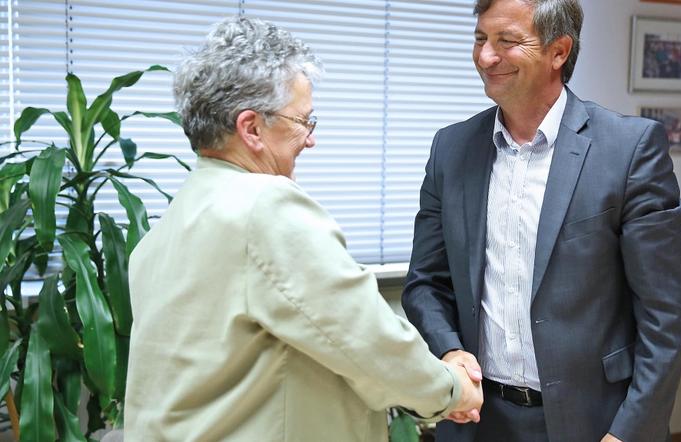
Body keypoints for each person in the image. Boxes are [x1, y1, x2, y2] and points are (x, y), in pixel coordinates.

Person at [123, 16, 482, 441]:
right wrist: (452, 390)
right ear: (251, 128)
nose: (310, 139)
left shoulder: (169, 225)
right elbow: (365, 339)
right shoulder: (265, 207)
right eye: (302, 121)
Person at [401, 0, 681, 441]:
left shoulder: (628, 150)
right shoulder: (450, 149)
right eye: (480, 39)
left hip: (593, 423)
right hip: (478, 421)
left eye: (507, 42)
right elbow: (425, 282)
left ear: (559, 51)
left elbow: (663, 317)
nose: (485, 57)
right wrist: (449, 348)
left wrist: (628, 434)